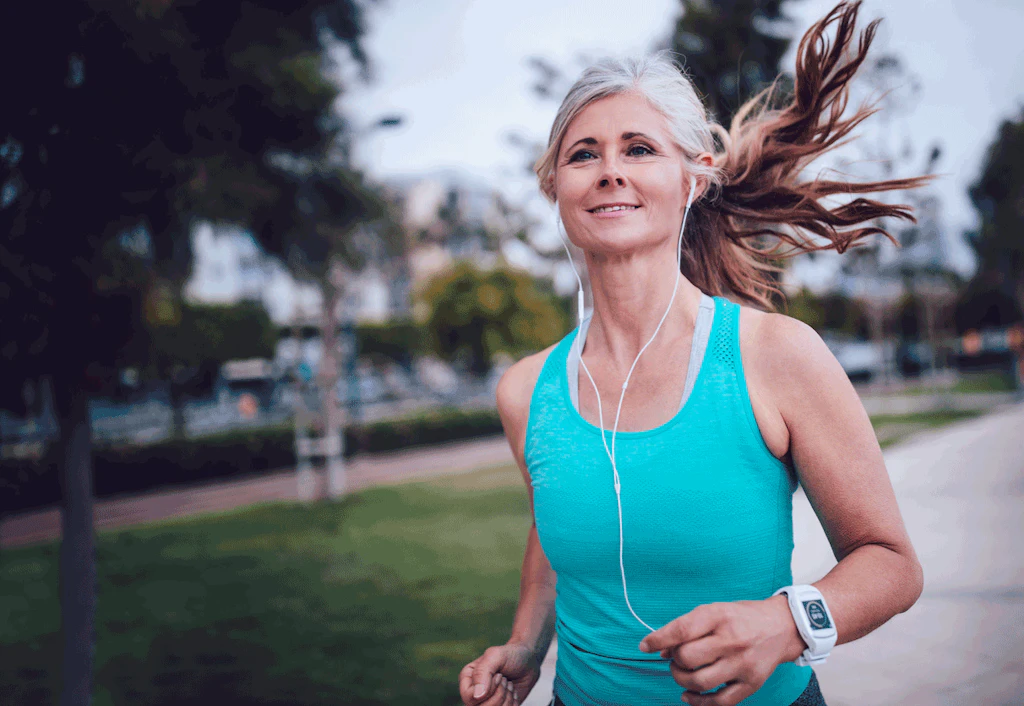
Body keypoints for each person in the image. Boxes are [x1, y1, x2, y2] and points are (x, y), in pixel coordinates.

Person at [457, 2, 926, 705]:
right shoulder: (526, 390)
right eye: (583, 154)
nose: (610, 170)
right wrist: (526, 647)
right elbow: (553, 539)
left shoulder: (775, 356)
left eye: (639, 149)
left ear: (693, 178)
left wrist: (786, 623)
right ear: (556, 187)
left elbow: (891, 565)